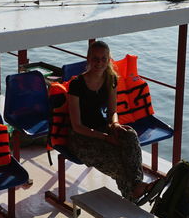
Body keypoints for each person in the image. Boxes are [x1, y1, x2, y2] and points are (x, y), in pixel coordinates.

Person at [66, 40, 159, 203]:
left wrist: (115, 124)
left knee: (129, 135)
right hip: (81, 137)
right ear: (88, 58)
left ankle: (135, 188)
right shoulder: (76, 85)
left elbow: (112, 111)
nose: (99, 63)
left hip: (103, 128)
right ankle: (134, 190)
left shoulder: (111, 79)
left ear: (108, 59)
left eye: (103, 59)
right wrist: (105, 137)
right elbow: (77, 126)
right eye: (95, 58)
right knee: (117, 157)